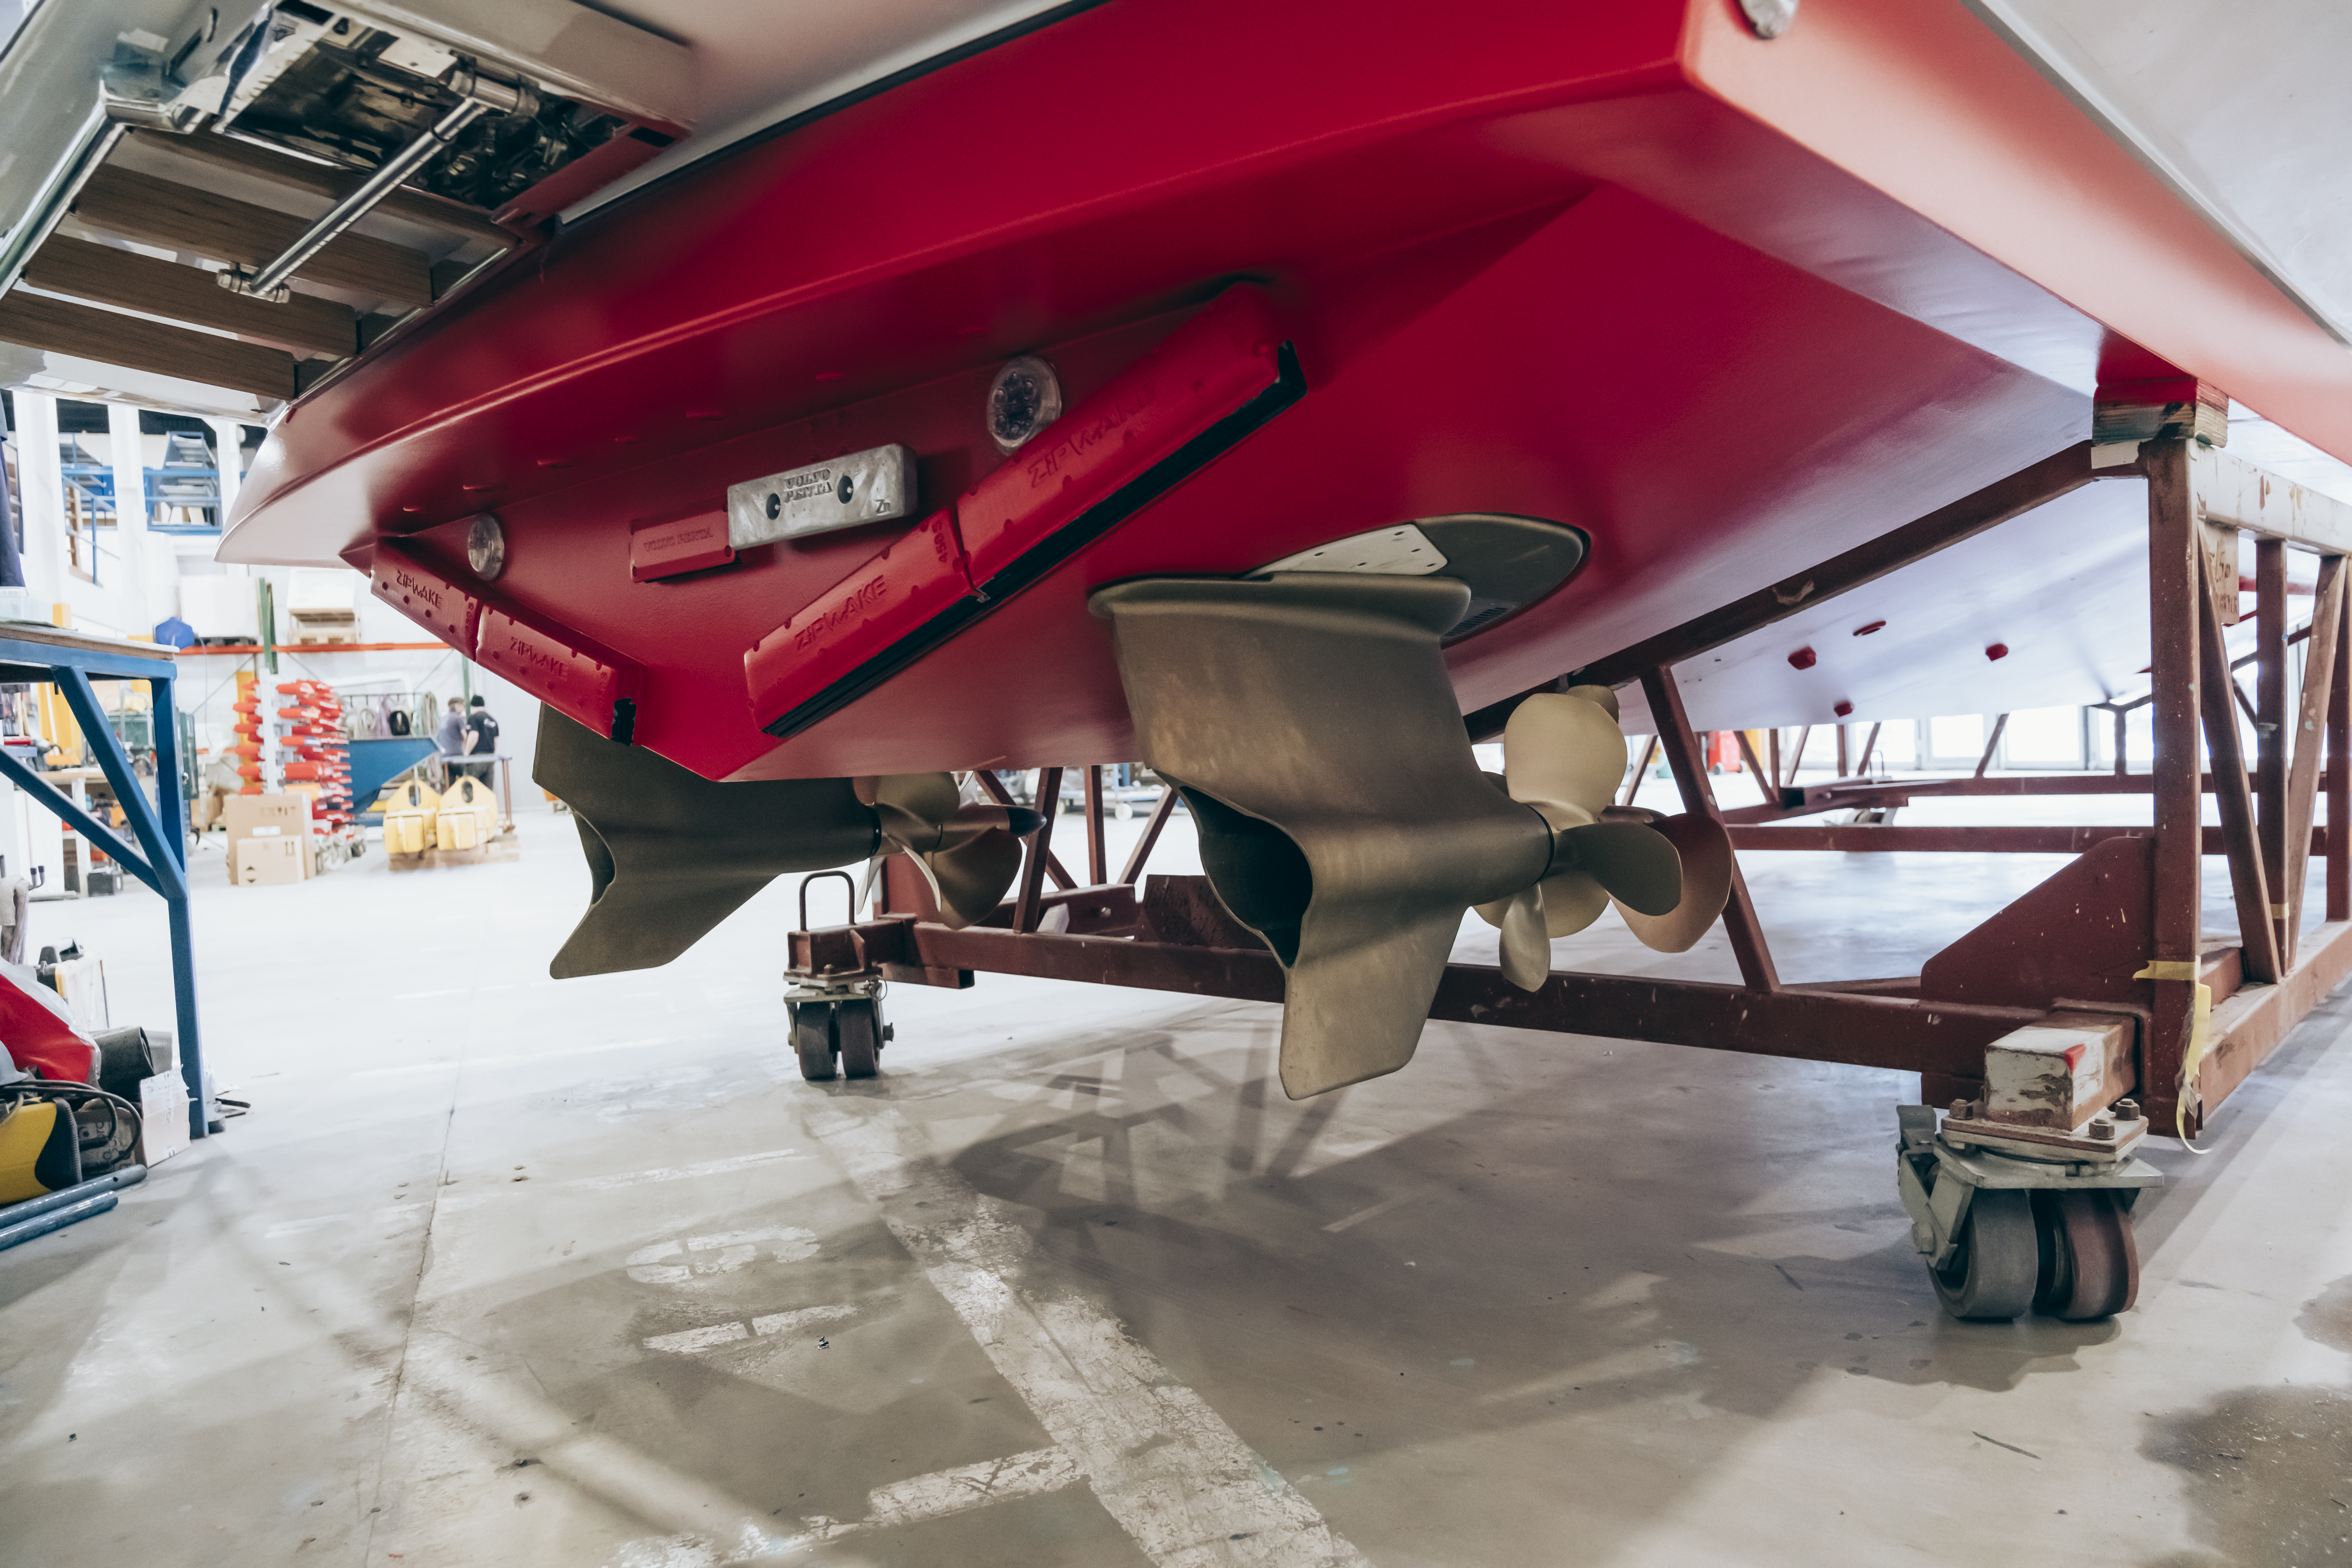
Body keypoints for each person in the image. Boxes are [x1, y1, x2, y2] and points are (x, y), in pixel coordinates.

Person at [460, 695, 500, 783]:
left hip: (477, 758)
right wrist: (493, 755)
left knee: (469, 784)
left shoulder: (474, 718)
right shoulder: (493, 720)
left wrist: (466, 754)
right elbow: (495, 742)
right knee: (487, 788)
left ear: (473, 706)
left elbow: (474, 735)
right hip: (490, 758)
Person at [434, 696, 467, 786]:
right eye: (463, 706)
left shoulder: (442, 719)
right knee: (466, 782)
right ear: (457, 706)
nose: (464, 709)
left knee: (450, 786)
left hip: (445, 759)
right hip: (457, 758)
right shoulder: (458, 719)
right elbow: (465, 735)